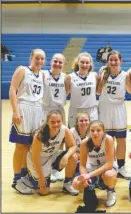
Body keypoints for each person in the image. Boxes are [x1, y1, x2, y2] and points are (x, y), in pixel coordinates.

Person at [14, 110, 79, 196]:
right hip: (37, 161)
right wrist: (41, 177)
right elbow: (35, 159)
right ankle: (28, 178)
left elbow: (73, 146)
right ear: (47, 122)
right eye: (53, 122)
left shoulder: (64, 129)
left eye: (58, 121)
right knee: (44, 192)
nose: (56, 124)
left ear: (62, 121)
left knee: (73, 156)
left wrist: (66, 156)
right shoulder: (39, 135)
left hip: (51, 156)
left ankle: (67, 183)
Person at [9, 49, 46, 189]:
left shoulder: (42, 74)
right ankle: (16, 179)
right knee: (20, 146)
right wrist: (15, 111)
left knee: (31, 146)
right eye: (37, 58)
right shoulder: (22, 70)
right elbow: (12, 90)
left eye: (42, 59)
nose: (40, 61)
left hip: (37, 110)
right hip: (24, 108)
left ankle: (24, 175)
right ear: (31, 57)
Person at [97, 50, 131, 180]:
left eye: (115, 60)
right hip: (105, 107)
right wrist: (100, 76)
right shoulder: (102, 73)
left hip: (119, 107)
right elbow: (98, 90)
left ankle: (122, 166)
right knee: (107, 140)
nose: (113, 62)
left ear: (120, 61)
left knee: (121, 139)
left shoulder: (126, 75)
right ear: (107, 61)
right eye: (110, 60)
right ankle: (110, 164)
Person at [72, 121, 118, 207]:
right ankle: (91, 187)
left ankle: (111, 191)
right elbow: (82, 165)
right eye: (92, 131)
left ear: (103, 131)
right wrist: (84, 176)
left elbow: (109, 164)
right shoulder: (84, 143)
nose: (95, 133)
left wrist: (89, 175)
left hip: (106, 168)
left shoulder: (108, 139)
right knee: (76, 183)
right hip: (92, 167)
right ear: (88, 132)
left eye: (98, 130)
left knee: (109, 175)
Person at [43, 53, 67, 182]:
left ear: (64, 64)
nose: (57, 64)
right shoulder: (43, 74)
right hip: (46, 110)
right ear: (51, 62)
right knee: (47, 141)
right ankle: (46, 169)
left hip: (60, 110)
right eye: (55, 61)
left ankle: (56, 169)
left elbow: (66, 91)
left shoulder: (65, 77)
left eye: (60, 62)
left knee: (60, 140)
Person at [65, 52, 99, 128]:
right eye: (82, 62)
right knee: (73, 135)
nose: (84, 65)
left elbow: (99, 91)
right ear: (78, 62)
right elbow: (64, 94)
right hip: (75, 110)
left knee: (92, 135)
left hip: (91, 110)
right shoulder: (70, 77)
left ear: (90, 64)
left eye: (87, 62)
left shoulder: (95, 75)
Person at [70, 112, 90, 176]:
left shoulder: (93, 131)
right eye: (81, 121)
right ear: (77, 122)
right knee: (72, 156)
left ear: (89, 121)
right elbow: (69, 149)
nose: (84, 122)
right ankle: (69, 178)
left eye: (86, 120)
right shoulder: (71, 132)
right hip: (77, 157)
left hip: (90, 158)